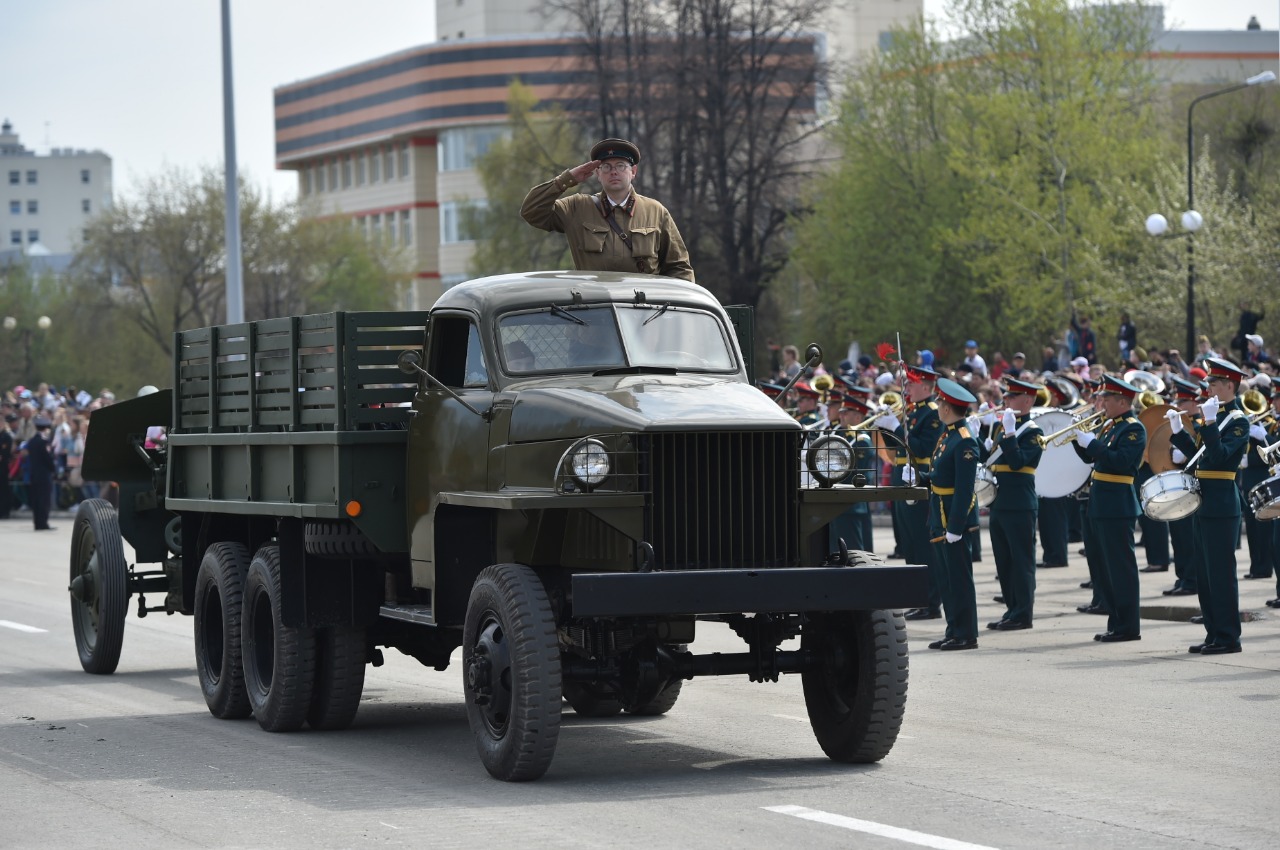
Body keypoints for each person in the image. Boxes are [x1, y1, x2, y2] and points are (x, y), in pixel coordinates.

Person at [520, 138, 694, 281]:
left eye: (620, 165)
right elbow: (531, 211)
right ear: (597, 173)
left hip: (644, 312)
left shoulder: (655, 211)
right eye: (606, 167)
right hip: (595, 309)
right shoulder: (577, 207)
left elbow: (679, 268)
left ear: (633, 171)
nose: (613, 172)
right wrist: (566, 179)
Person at [1169, 358, 1251, 654]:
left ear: (1230, 385)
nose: (1209, 389)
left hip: (1221, 503)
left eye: (1215, 383)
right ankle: (1213, 633)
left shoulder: (1239, 420)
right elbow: (1198, 459)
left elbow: (1218, 458)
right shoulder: (1214, 416)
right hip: (1203, 502)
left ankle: (1229, 637)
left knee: (1220, 575)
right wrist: (1179, 432)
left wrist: (1212, 423)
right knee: (1204, 574)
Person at [905, 377, 980, 650]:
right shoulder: (948, 435)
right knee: (947, 578)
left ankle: (966, 634)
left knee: (959, 579)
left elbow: (964, 489)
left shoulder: (964, 442)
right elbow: (939, 475)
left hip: (952, 517)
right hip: (939, 514)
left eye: (940, 402)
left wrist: (957, 526)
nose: (937, 406)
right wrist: (919, 475)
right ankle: (954, 629)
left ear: (947, 408)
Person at [1071, 374, 1147, 642]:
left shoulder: (1133, 428)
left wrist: (1092, 443)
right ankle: (1116, 622)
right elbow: (1093, 458)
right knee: (1106, 569)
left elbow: (1121, 462)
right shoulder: (1110, 425)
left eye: (1106, 399)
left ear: (1122, 402)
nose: (1101, 403)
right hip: (1101, 503)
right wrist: (1076, 439)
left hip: (1117, 504)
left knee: (1121, 569)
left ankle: (1128, 626)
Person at [876, 363, 944, 620]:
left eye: (912, 384)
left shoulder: (932, 414)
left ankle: (930, 602)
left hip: (919, 480)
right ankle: (918, 599)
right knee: (909, 544)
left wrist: (895, 426)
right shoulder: (912, 411)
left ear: (925, 387)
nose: (907, 388)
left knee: (923, 545)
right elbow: (897, 449)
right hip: (903, 477)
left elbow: (923, 448)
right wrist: (885, 427)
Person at [980, 378, 1045, 630]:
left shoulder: (1033, 432)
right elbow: (991, 461)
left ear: (1027, 401)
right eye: (1005, 396)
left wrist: (1008, 434)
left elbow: (1018, 462)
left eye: (1012, 397)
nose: (1005, 400)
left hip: (1020, 504)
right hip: (1000, 502)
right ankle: (1011, 609)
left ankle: (1023, 614)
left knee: (1021, 562)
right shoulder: (1002, 428)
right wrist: (979, 440)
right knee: (1004, 562)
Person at [1161, 377, 1203, 599]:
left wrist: (1184, 454)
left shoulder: (1197, 426)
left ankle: (1191, 579)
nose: (1178, 404)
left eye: (1183, 401)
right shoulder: (1181, 424)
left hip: (1191, 487)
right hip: (1177, 485)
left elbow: (1199, 454)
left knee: (1187, 537)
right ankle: (1183, 576)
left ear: (1194, 404)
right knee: (1178, 536)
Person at [828, 394, 877, 553]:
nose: (840, 415)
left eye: (845, 413)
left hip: (851, 502)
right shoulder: (840, 435)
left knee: (854, 551)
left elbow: (854, 473)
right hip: (837, 499)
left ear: (857, 417)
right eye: (841, 412)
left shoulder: (862, 440)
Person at [1239, 379, 1276, 580]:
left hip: (1264, 478)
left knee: (1263, 529)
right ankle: (1256, 566)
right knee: (1253, 528)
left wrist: (1264, 437)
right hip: (1249, 480)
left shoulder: (1268, 426)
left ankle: (1264, 567)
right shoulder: (1250, 424)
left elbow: (1273, 452)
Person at [23, 416, 57, 531]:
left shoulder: (31, 442)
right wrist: (54, 469)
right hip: (44, 475)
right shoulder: (44, 442)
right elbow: (48, 459)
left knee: (36, 500)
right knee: (44, 500)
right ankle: (43, 523)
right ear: (45, 428)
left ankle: (37, 522)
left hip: (34, 474)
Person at [0, 412, 14, 519]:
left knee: (4, 489)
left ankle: (5, 511)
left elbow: (6, 452)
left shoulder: (6, 436)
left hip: (3, 467)